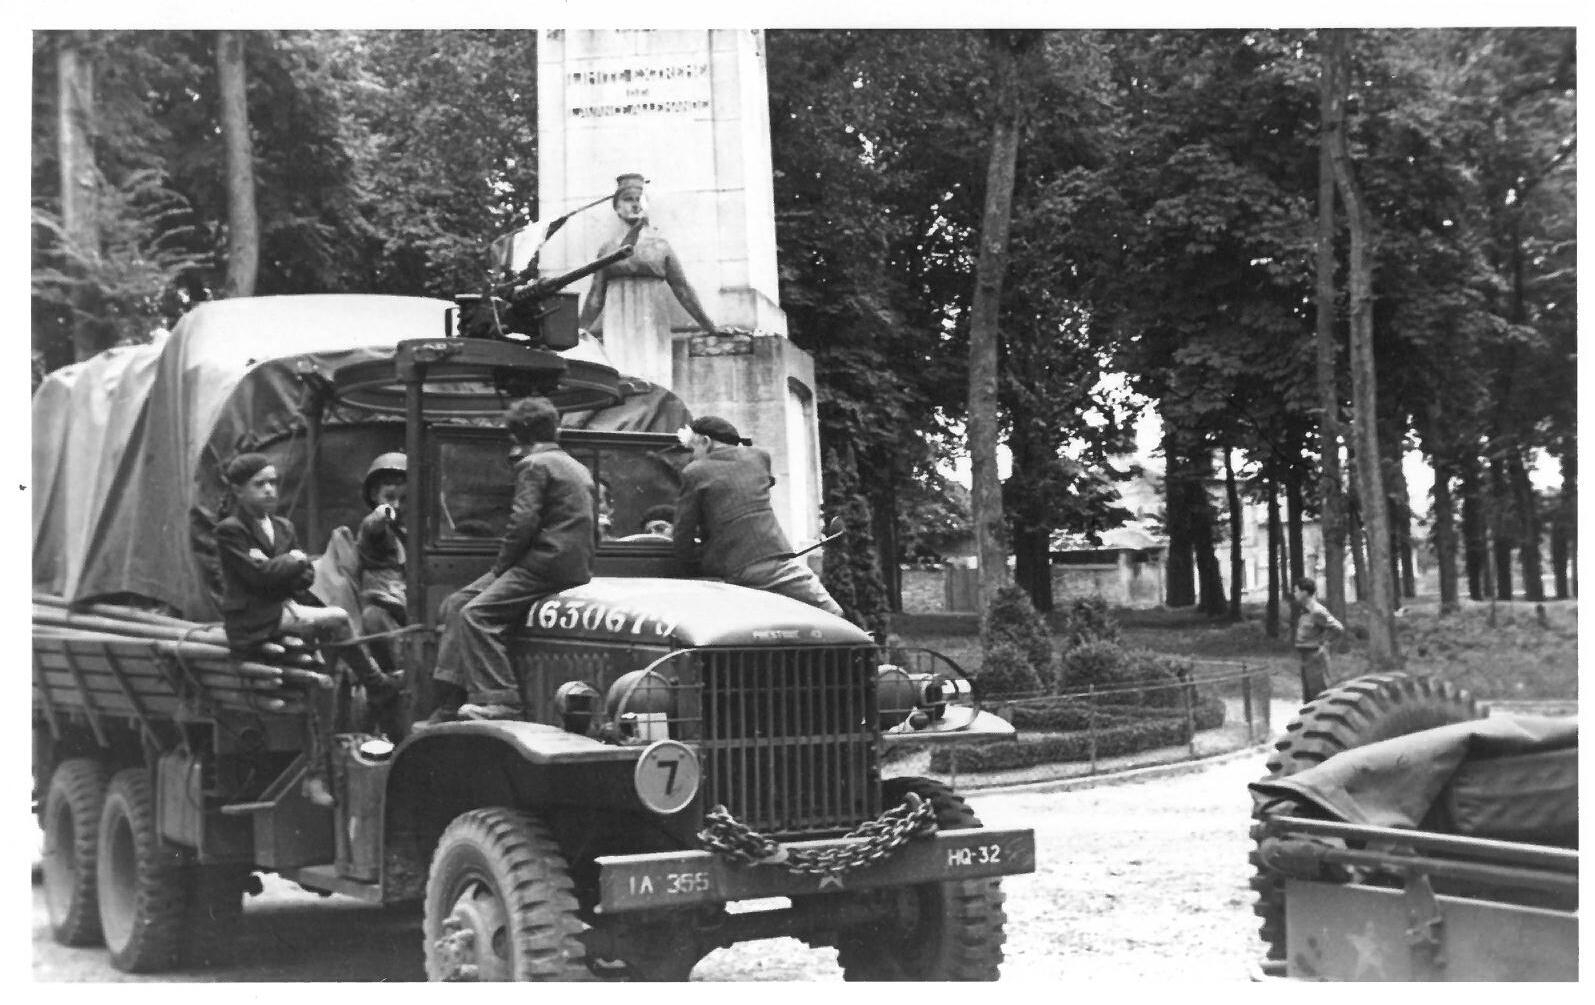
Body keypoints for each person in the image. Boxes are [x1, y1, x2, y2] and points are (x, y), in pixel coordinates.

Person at [214, 453, 401, 805]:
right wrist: (289, 563)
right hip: (255, 621)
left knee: (323, 675)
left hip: (285, 609)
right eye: (259, 484)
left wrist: (282, 566)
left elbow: (306, 576)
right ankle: (376, 684)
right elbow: (257, 577)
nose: (270, 490)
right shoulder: (230, 530)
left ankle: (320, 768)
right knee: (338, 619)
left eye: (273, 482)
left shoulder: (283, 527)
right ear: (238, 491)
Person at [430, 397, 596, 722]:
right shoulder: (578, 467)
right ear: (555, 429)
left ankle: (501, 700)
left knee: (475, 615)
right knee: (457, 602)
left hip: (544, 564)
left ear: (517, 436)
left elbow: (522, 523)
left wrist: (501, 567)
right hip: (572, 563)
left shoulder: (534, 465)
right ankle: (452, 693)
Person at [673, 416, 844, 617]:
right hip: (778, 557)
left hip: (733, 569)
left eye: (693, 449)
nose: (693, 457)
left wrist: (690, 571)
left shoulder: (694, 472)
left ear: (705, 441)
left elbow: (683, 535)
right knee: (833, 614)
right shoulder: (759, 457)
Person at [577, 173, 722, 381]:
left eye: (639, 199)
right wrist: (579, 330)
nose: (635, 204)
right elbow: (595, 296)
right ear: (617, 208)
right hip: (619, 321)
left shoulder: (660, 246)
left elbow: (682, 289)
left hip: (652, 319)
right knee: (621, 374)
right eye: (628, 199)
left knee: (653, 374)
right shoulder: (608, 249)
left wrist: (710, 326)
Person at [355, 452, 408, 675]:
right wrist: (383, 513)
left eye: (404, 499)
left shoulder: (409, 531)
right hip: (383, 602)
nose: (397, 505)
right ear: (374, 495)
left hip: (407, 604)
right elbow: (374, 524)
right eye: (389, 497)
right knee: (373, 619)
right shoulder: (374, 528)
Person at [1292, 575, 1345, 701]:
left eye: (1296, 591)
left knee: (1319, 696)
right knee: (1308, 697)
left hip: (1315, 657)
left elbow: (1338, 628)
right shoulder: (1305, 610)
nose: (1295, 594)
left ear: (1304, 593)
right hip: (1305, 657)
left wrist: (1325, 643)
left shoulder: (1317, 611)